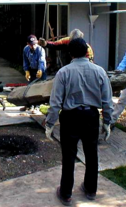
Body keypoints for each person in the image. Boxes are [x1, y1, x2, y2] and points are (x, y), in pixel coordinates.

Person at [45, 38, 113, 206]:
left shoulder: (63, 72)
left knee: (68, 156)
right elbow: (107, 100)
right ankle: (91, 190)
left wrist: (49, 124)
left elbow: (55, 102)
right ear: (87, 52)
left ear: (70, 54)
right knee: (91, 154)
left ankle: (66, 193)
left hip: (70, 117)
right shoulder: (99, 71)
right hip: (91, 116)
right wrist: (107, 121)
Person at [21, 34, 47, 111]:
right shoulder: (25, 49)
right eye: (31, 45)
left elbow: (41, 61)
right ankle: (29, 105)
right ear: (28, 44)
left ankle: (37, 106)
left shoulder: (40, 50)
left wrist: (40, 70)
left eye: (35, 44)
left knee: (39, 88)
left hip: (41, 70)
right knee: (30, 87)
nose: (34, 46)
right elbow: (25, 61)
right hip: (32, 69)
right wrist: (26, 71)